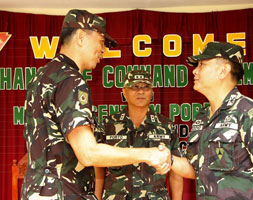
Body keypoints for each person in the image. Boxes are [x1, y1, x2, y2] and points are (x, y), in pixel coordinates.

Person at [21, 9, 170, 199]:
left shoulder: (42, 75)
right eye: (101, 42)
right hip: (63, 193)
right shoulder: (71, 80)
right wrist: (148, 154)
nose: (103, 50)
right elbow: (88, 153)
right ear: (81, 37)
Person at [171, 41, 253, 199]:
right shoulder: (203, 116)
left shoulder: (248, 113)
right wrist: (165, 158)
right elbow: (194, 168)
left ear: (223, 71)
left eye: (202, 65)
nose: (195, 71)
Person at [94, 70, 183, 200]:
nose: (140, 92)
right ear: (124, 92)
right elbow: (98, 168)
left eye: (146, 87)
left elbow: (176, 172)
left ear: (152, 92)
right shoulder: (108, 125)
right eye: (134, 87)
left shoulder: (166, 126)